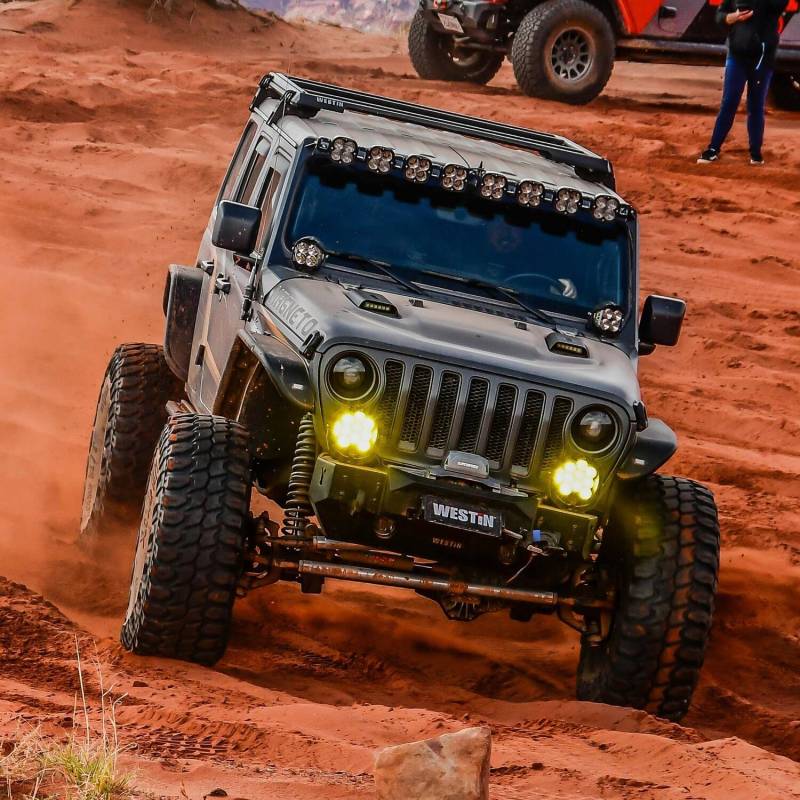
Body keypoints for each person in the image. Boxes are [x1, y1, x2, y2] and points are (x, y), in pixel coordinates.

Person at [697, 0, 788, 165]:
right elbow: (720, 15)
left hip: (762, 57)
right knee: (729, 101)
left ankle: (756, 153)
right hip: (737, 53)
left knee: (756, 105)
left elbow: (778, 5)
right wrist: (733, 17)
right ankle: (713, 148)